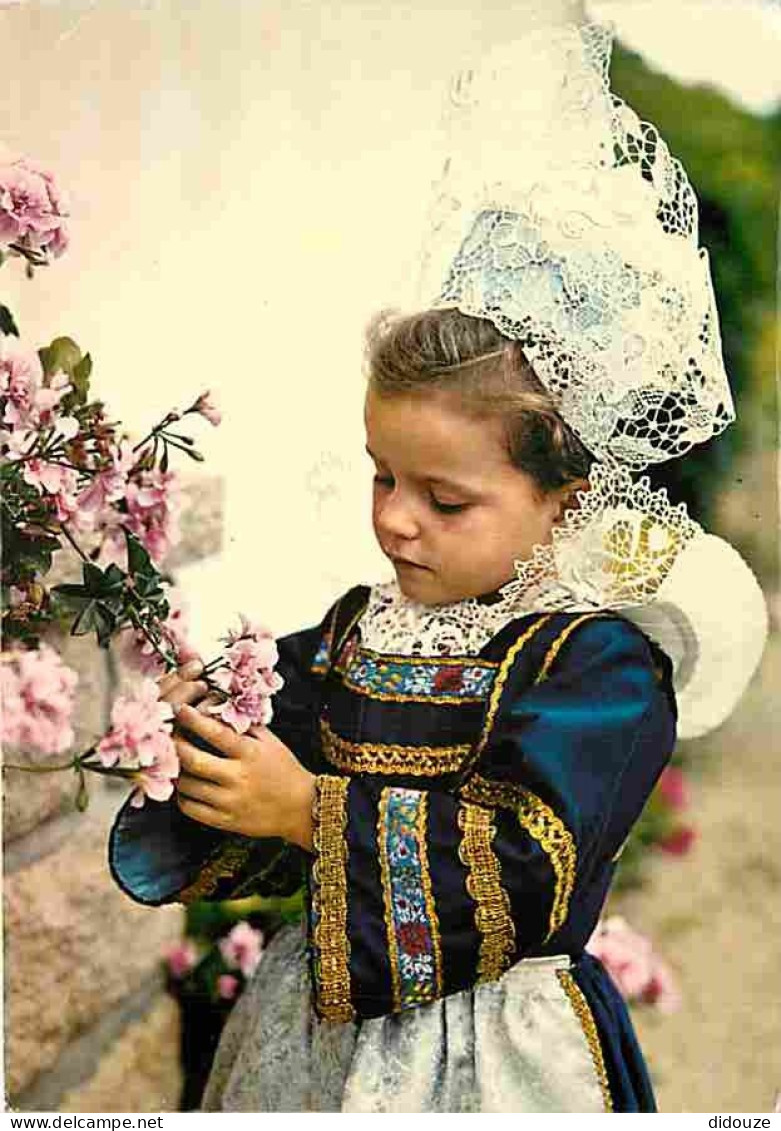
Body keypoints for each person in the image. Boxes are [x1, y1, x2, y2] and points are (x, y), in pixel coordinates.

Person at [108, 21, 768, 1113]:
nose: (398, 524)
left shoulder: (600, 663)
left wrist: (308, 814)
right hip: (312, 1039)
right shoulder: (366, 627)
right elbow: (277, 722)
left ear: (562, 494)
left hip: (498, 1054)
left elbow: (524, 857)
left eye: (444, 499)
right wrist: (202, 723)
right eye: (382, 478)